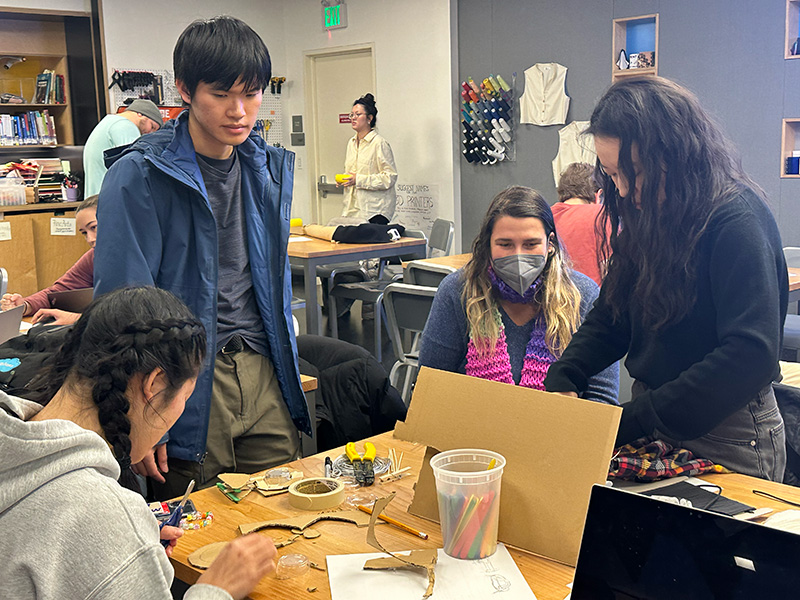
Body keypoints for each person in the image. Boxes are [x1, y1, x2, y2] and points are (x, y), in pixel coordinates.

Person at [94, 16, 311, 499]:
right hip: (183, 381)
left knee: (284, 522)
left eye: (251, 94)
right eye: (221, 94)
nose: (240, 111)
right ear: (185, 90)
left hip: (262, 366)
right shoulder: (139, 176)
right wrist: (142, 415)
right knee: (196, 538)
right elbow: (121, 308)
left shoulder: (264, 170)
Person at [544, 77, 788, 481]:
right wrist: (568, 371)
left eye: (633, 173)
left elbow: (750, 354)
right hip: (659, 419)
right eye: (611, 175)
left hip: (729, 433)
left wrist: (636, 417)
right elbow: (613, 314)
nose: (622, 191)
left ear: (676, 155)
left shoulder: (736, 219)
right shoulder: (647, 214)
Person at [0, 286, 278, 599]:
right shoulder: (105, 517)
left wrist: (126, 554)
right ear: (155, 384)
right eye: (185, 396)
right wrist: (216, 589)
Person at [419, 185, 618, 404]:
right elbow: (430, 390)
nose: (519, 256)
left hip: (558, 434)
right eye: (505, 244)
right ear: (488, 246)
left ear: (550, 244)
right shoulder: (459, 291)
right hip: (470, 432)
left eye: (531, 244)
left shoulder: (584, 296)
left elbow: (602, 401)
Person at [1, 194, 98, 325]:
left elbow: (130, 315)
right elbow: (56, 293)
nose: (90, 239)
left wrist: (76, 319)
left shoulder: (132, 256)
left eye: (94, 227)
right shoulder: (93, 256)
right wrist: (24, 305)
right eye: (84, 233)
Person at [83, 98, 164, 196]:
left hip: (96, 198)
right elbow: (135, 167)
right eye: (152, 127)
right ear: (141, 114)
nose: (150, 133)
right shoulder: (126, 126)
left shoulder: (108, 121)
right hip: (110, 199)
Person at [339, 93, 398, 221]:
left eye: (358, 114)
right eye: (351, 114)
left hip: (375, 211)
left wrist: (358, 180)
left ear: (369, 118)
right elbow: (353, 173)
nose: (353, 118)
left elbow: (390, 177)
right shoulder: (351, 143)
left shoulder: (379, 143)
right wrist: (345, 180)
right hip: (352, 210)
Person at [551, 162, 606, 285]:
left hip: (552, 301)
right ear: (598, 195)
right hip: (591, 301)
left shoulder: (544, 217)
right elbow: (611, 273)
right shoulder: (600, 214)